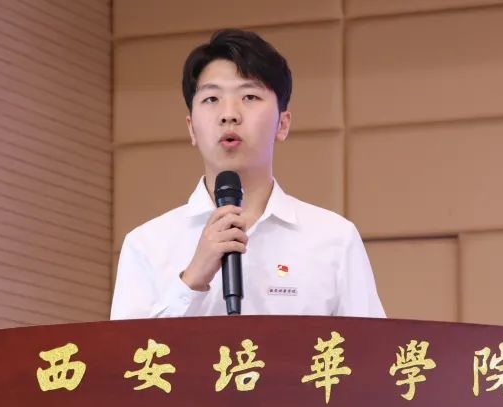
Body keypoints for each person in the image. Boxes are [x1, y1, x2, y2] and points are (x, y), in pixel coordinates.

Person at [110, 29, 385, 319]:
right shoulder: (147, 245)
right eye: (211, 99)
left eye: (250, 96)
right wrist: (191, 281)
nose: (229, 114)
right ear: (191, 128)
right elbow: (125, 348)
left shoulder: (334, 239)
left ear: (282, 124)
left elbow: (372, 346)